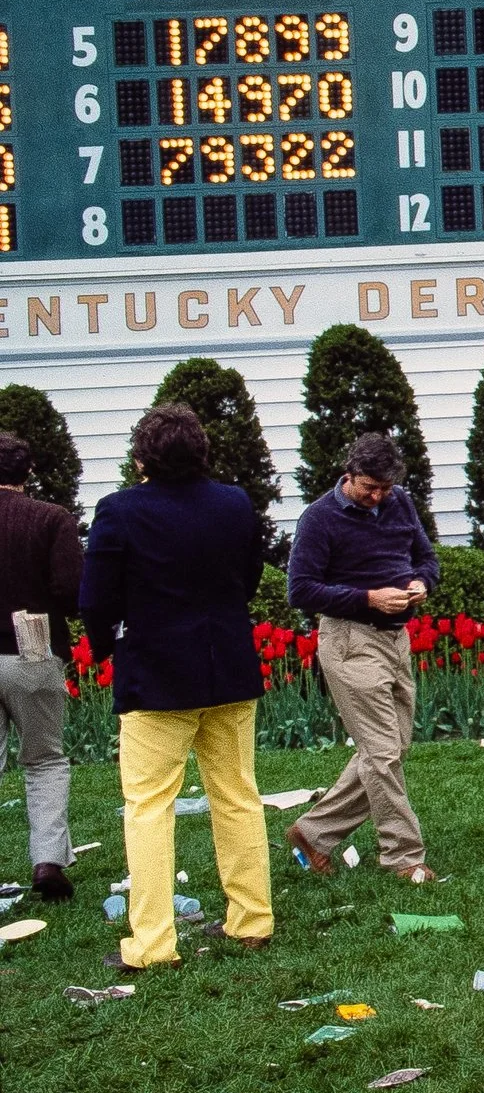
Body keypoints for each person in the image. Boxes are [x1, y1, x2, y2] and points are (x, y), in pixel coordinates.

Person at [81, 403, 271, 971]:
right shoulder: (235, 503)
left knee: (147, 808)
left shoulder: (118, 511)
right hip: (228, 667)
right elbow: (251, 574)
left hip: (156, 675)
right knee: (237, 795)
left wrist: (105, 646)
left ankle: (153, 945)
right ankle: (251, 921)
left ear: (141, 458)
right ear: (203, 452)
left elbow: (95, 599)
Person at [286, 433, 444, 884]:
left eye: (384, 489)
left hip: (396, 638)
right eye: (368, 487)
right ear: (348, 474)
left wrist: (421, 583)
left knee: (394, 748)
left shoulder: (401, 503)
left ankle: (312, 833)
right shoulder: (319, 518)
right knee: (381, 753)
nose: (376, 497)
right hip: (350, 640)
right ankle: (403, 856)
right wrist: (368, 599)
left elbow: (426, 556)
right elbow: (300, 590)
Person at [0, 434, 81, 903]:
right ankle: (48, 860)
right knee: (45, 759)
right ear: (27, 473)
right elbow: (70, 589)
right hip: (32, 646)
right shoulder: (51, 518)